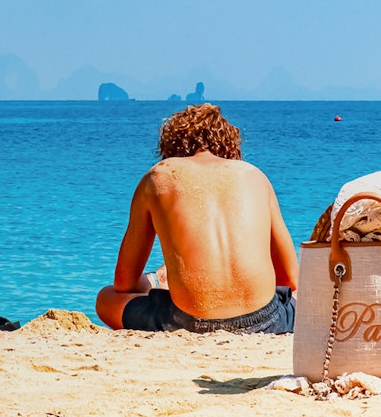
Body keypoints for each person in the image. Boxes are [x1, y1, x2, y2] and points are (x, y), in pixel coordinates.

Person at [95, 104, 300, 334]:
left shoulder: (160, 176)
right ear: (229, 144)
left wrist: (155, 281)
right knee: (302, 298)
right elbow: (290, 280)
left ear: (171, 144)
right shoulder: (254, 175)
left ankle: (160, 280)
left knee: (106, 298)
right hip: (266, 321)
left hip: (187, 322)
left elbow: (124, 283)